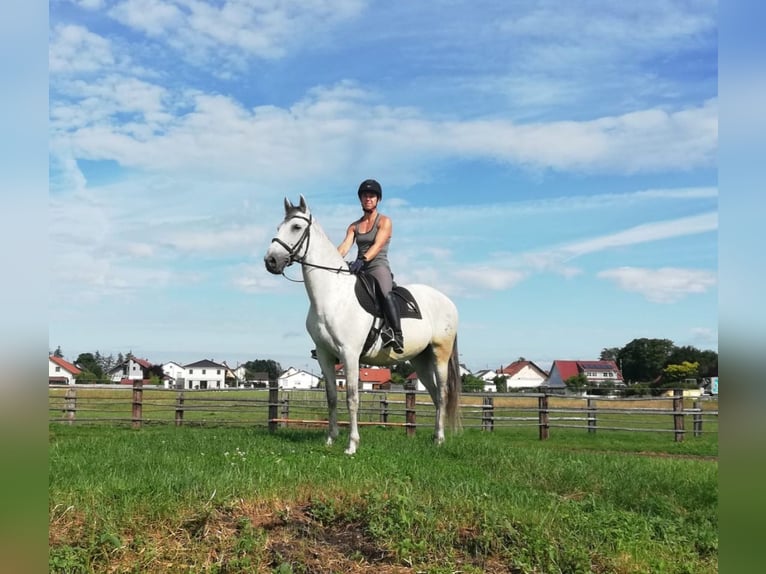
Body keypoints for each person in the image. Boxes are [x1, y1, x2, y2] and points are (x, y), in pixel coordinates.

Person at [337, 179, 404, 353]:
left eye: (372, 196)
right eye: (365, 196)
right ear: (360, 199)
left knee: (385, 293)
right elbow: (344, 247)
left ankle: (397, 335)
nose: (368, 198)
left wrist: (363, 259)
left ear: (378, 199)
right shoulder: (354, 226)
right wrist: (331, 260)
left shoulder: (384, 221)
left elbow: (378, 245)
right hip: (358, 268)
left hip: (377, 265)